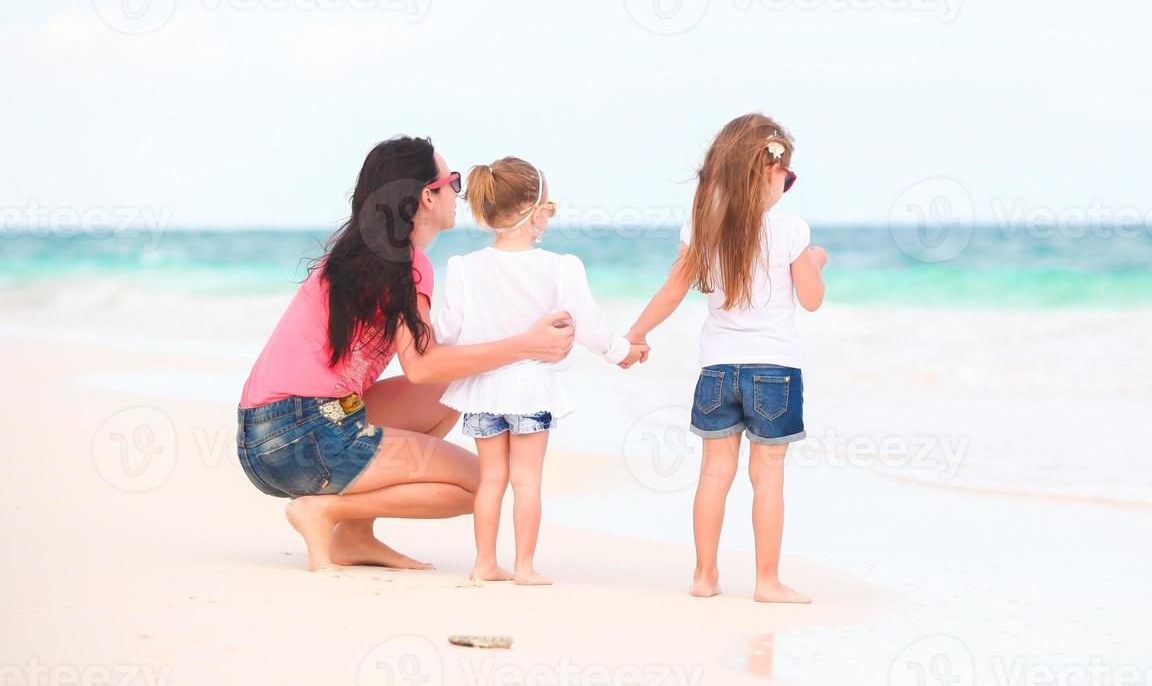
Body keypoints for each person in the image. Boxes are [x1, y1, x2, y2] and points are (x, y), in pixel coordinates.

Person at [235, 136, 576, 571]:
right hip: (303, 436)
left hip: (266, 436)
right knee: (481, 484)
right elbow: (422, 366)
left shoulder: (362, 255)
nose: (459, 191)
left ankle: (354, 538)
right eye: (452, 182)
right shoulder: (407, 265)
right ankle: (326, 513)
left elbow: (437, 367)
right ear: (426, 198)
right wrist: (525, 346)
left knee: (457, 389)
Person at [625, 114, 826, 602]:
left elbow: (674, 290)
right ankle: (767, 581)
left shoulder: (700, 225)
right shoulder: (791, 230)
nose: (788, 186)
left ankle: (704, 577)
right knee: (768, 477)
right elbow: (813, 299)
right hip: (774, 370)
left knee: (714, 474)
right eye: (788, 176)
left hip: (717, 370)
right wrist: (815, 260)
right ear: (768, 172)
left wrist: (636, 333)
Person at [436, 157, 647, 586]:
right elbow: (589, 325)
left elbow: (447, 331)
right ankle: (525, 567)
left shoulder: (463, 267)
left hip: (480, 389)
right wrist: (621, 352)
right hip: (530, 387)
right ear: (536, 210)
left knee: (491, 478)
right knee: (527, 479)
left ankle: (483, 564)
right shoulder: (560, 266)